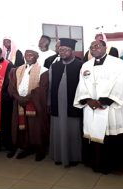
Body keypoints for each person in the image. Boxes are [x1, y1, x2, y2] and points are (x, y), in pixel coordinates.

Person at [74, 39, 123, 174]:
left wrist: (105, 101)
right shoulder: (86, 65)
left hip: (109, 107)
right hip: (90, 107)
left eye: (97, 46)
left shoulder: (117, 63)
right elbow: (81, 84)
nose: (94, 48)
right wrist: (87, 99)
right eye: (91, 47)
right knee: (93, 136)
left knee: (110, 138)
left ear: (106, 47)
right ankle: (95, 163)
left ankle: (111, 166)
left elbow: (122, 82)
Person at [8, 47, 49, 161]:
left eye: (32, 54)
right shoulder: (16, 70)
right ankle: (26, 148)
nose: (29, 57)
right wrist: (18, 98)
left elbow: (42, 88)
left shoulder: (44, 70)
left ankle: (40, 150)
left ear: (37, 56)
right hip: (19, 103)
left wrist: (27, 98)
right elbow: (11, 87)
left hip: (35, 104)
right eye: (27, 55)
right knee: (23, 127)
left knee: (36, 127)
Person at [49, 38, 83, 167]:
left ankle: (74, 158)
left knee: (73, 131)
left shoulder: (80, 65)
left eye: (65, 50)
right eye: (60, 50)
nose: (62, 52)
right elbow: (51, 86)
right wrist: (49, 103)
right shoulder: (54, 66)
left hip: (73, 105)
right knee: (57, 130)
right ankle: (58, 156)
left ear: (73, 51)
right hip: (57, 104)